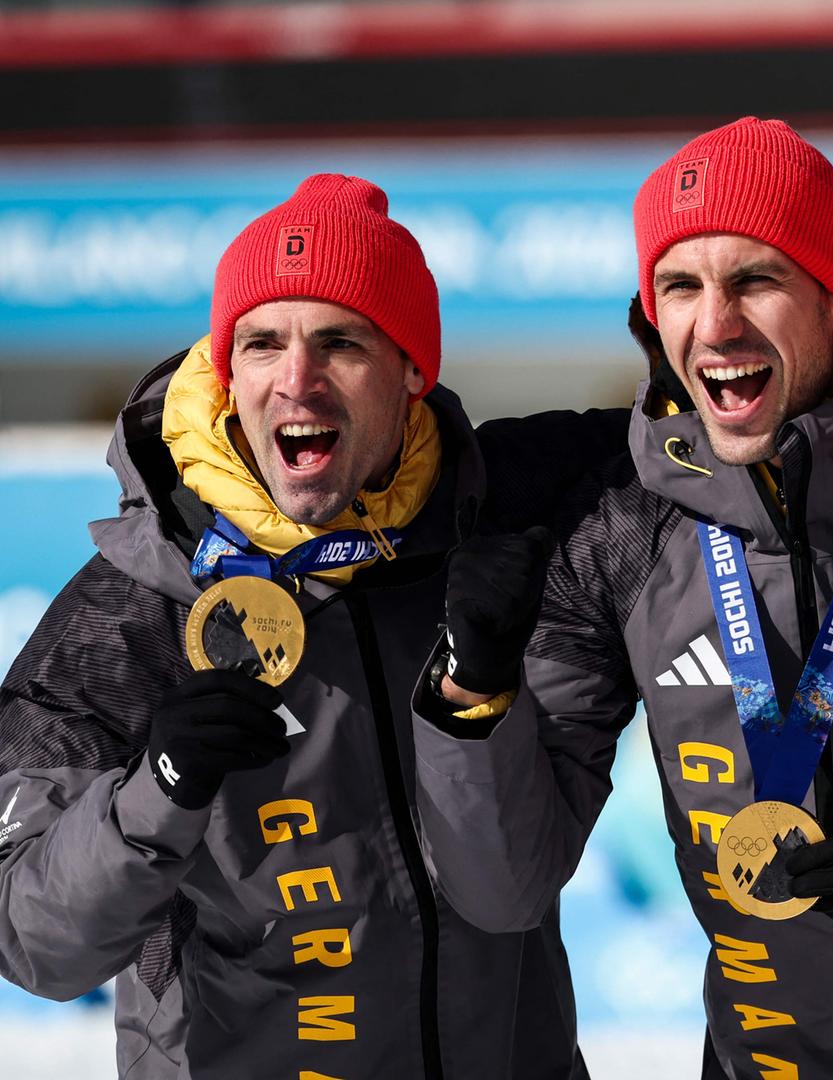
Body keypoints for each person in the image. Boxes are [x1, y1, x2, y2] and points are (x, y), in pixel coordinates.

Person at [412, 118, 833, 1078]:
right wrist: (472, 698)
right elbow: (505, 886)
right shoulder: (622, 531)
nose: (714, 324)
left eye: (756, 279)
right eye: (680, 286)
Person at [0, 174, 632, 1078]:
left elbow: (723, 428)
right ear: (226, 375)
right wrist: (156, 791)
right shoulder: (131, 611)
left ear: (414, 371)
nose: (297, 379)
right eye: (261, 343)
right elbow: (33, 943)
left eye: (340, 342)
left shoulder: (507, 519)